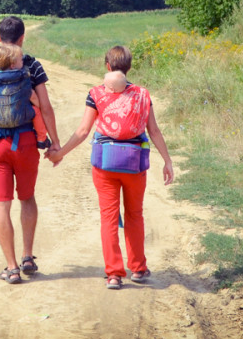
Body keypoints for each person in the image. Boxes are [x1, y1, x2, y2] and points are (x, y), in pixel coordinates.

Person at [49, 45, 174, 290]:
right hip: (135, 164)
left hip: (105, 164)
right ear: (128, 67)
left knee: (108, 217)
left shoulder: (96, 93)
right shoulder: (142, 94)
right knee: (135, 214)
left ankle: (114, 274)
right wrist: (168, 161)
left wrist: (59, 154)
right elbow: (154, 131)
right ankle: (137, 268)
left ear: (107, 66)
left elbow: (84, 131)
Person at [0, 16, 60, 284]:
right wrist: (53, 142)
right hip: (27, 142)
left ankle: (11, 268)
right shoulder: (32, 65)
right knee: (27, 198)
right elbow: (45, 107)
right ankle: (28, 256)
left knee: (1, 205)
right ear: (22, 38)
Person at [0, 42, 51, 151]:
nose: (23, 62)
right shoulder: (23, 77)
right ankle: (42, 138)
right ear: (12, 64)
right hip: (21, 118)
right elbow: (33, 96)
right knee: (35, 112)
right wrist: (39, 107)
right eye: (21, 60)